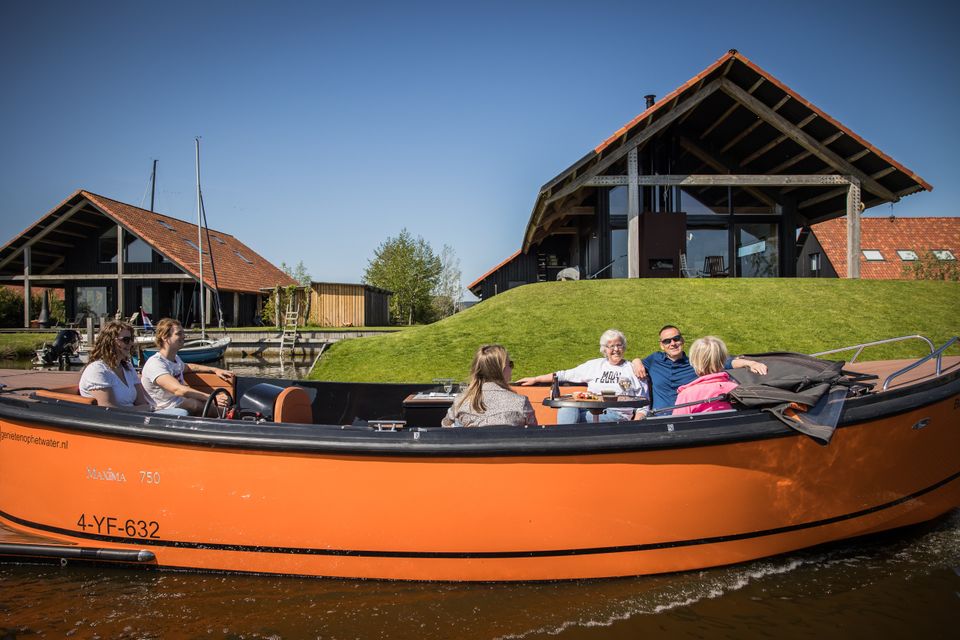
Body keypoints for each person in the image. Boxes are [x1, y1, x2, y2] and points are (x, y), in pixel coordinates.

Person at [517, 329, 649, 423]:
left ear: (624, 347)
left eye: (619, 345)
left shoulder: (633, 369)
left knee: (573, 420)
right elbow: (564, 375)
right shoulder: (594, 365)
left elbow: (644, 403)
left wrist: (635, 425)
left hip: (616, 414)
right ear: (604, 349)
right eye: (611, 346)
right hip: (589, 408)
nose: (616, 349)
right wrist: (536, 379)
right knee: (568, 406)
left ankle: (562, 444)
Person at [632, 325, 767, 411]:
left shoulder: (696, 362)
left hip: (688, 415)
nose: (673, 343)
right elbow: (634, 362)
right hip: (659, 416)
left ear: (682, 340)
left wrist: (751, 363)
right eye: (667, 341)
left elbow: (728, 362)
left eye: (676, 339)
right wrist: (636, 361)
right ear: (662, 345)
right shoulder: (654, 359)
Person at [140, 318, 235, 416]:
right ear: (165, 337)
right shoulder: (156, 364)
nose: (183, 336)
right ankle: (229, 416)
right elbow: (178, 390)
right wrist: (212, 398)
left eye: (183, 333)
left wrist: (215, 369)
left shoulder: (175, 359)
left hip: (179, 402)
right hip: (162, 408)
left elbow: (188, 367)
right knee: (194, 404)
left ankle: (228, 413)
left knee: (224, 398)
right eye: (179, 334)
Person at [442, 344, 537, 428]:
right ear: (502, 368)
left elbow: (445, 429)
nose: (512, 368)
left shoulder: (461, 401)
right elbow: (534, 434)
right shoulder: (521, 402)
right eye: (510, 364)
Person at [78, 320, 153, 411]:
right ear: (110, 342)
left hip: (132, 416)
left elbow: (141, 402)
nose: (131, 343)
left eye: (132, 339)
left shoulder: (128, 367)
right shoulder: (97, 370)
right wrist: (143, 409)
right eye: (126, 340)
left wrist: (146, 408)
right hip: (110, 419)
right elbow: (108, 409)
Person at [673, 336, 740, 415]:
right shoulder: (738, 390)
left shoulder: (686, 395)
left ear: (694, 362)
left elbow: (677, 422)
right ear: (723, 360)